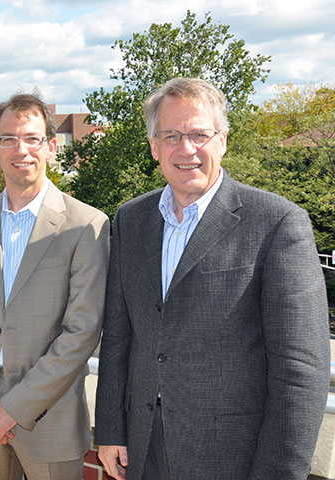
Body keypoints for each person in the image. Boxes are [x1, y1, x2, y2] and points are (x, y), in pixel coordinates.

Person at [94, 77, 330, 480]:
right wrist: (112, 429)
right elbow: (119, 337)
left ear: (222, 140)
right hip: (143, 444)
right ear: (154, 147)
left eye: (200, 134)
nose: (186, 149)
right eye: (171, 135)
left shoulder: (277, 223)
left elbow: (300, 370)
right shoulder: (131, 220)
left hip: (233, 455)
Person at [0, 93, 110, 480]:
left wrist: (12, 409)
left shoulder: (87, 225)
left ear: (51, 147)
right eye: (9, 139)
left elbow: (82, 332)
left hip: (50, 416)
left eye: (33, 138)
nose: (21, 149)